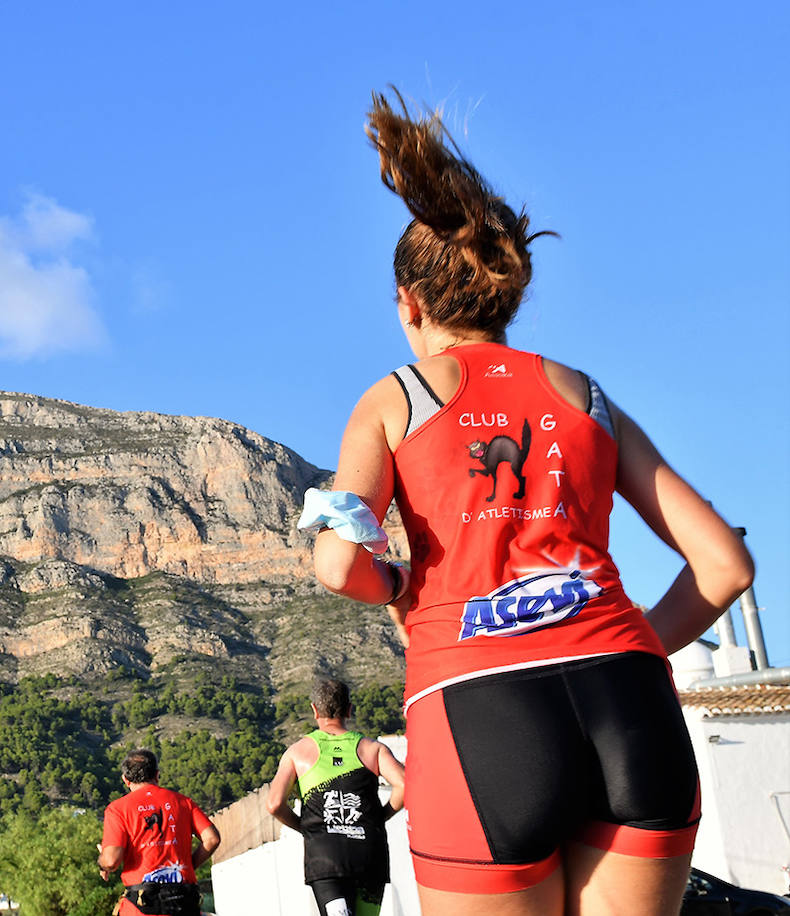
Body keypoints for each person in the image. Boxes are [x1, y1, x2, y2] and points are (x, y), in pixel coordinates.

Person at [303, 89, 755, 916]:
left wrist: (400, 585)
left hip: (480, 711)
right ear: (509, 295)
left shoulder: (394, 399)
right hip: (629, 699)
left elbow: (338, 565)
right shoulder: (587, 397)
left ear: (408, 304)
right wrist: (626, 649)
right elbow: (725, 565)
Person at [266, 678, 405, 916]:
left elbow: (274, 804)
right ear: (349, 709)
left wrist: (303, 826)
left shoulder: (297, 752)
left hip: (325, 858)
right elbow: (405, 784)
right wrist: (380, 817)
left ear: (314, 710)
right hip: (369, 855)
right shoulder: (372, 749)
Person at [98, 748, 222, 916]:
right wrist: (188, 866)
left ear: (125, 780)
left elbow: (111, 860)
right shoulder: (184, 802)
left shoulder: (118, 809)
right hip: (184, 900)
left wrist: (103, 862)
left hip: (142, 905)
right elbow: (212, 839)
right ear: (157, 775)